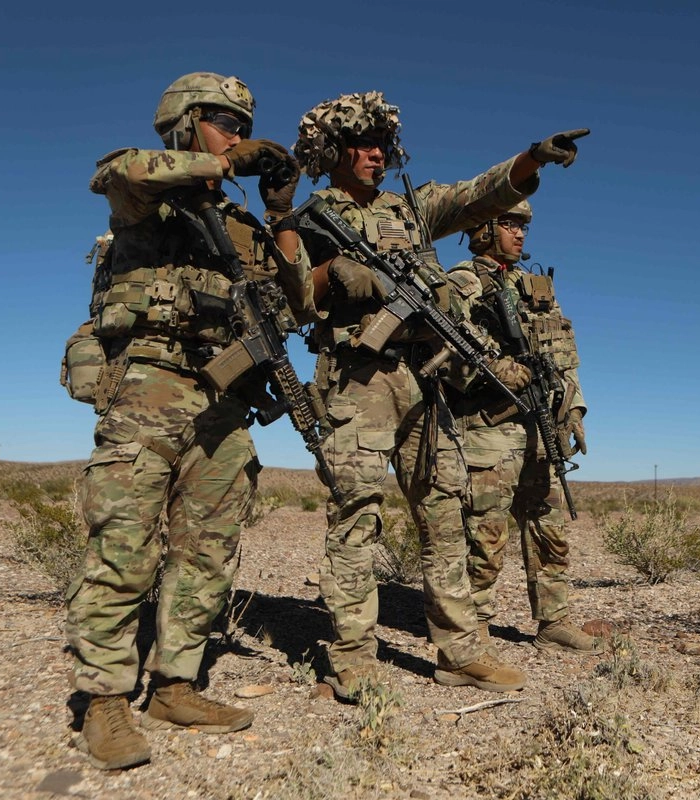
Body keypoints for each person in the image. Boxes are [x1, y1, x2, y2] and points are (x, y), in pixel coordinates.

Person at [291, 91, 588, 697]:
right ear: (335, 150)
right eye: (362, 143)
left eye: (382, 143)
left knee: (446, 514)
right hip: (359, 379)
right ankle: (352, 656)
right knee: (357, 515)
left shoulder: (411, 210)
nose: (376, 154)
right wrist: (331, 275)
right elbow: (287, 293)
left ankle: (460, 652)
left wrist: (531, 159)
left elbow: (477, 195)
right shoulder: (310, 217)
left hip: (425, 381)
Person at [65, 72, 312, 770]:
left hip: (223, 401)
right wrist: (223, 164)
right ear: (182, 123)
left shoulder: (242, 227)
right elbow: (117, 172)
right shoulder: (146, 194)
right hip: (149, 387)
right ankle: (104, 699)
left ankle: (176, 683)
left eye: (243, 128)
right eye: (223, 122)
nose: (236, 136)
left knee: (207, 549)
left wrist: (282, 215)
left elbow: (299, 301)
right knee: (124, 546)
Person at [447, 202, 602, 654]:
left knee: (549, 529)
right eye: (510, 224)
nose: (520, 234)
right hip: (488, 429)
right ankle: (474, 626)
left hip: (541, 425)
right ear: (483, 229)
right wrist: (496, 371)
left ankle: (553, 621)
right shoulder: (461, 283)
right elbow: (444, 352)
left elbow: (563, 355)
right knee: (486, 533)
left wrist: (574, 409)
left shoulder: (536, 288)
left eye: (524, 227)